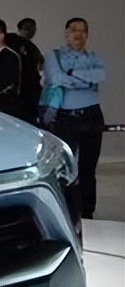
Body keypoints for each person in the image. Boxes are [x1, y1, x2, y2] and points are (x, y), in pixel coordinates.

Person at [41, 18, 106, 219]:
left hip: (92, 114)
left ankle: (87, 212)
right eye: (74, 29)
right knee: (65, 168)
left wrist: (71, 74)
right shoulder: (54, 56)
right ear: (66, 33)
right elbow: (56, 79)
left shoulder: (94, 57)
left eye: (83, 30)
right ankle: (66, 210)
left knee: (88, 168)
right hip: (65, 117)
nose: (79, 34)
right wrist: (85, 79)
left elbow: (100, 76)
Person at [5, 18, 44, 125]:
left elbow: (40, 64)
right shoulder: (9, 40)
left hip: (30, 91)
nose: (31, 30)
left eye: (33, 27)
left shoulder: (33, 48)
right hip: (13, 89)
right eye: (28, 26)